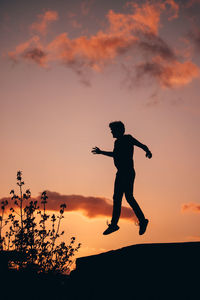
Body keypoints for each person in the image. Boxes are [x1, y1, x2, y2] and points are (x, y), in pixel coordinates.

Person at [92, 121, 152, 235]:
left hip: (126, 172)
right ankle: (136, 221)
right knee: (121, 198)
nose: (111, 132)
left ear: (118, 130)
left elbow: (140, 146)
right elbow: (116, 154)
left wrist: (148, 151)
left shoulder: (127, 138)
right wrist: (147, 151)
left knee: (125, 197)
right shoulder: (117, 142)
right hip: (121, 173)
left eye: (112, 130)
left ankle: (120, 224)